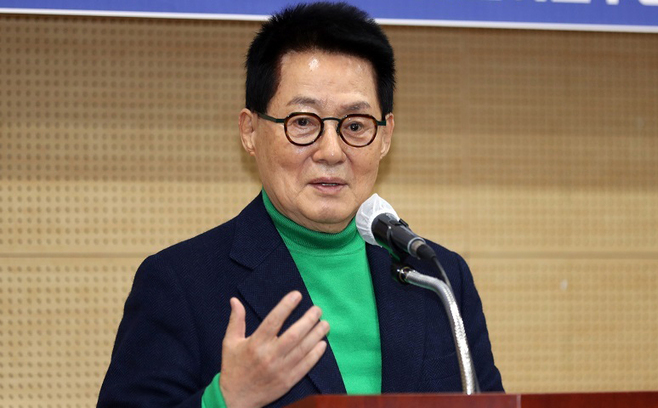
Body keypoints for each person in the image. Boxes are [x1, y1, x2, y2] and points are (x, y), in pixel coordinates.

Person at [97, 2, 503, 407]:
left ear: (385, 136)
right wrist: (224, 400)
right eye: (303, 122)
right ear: (250, 131)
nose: (331, 152)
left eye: (355, 125)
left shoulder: (438, 278)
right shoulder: (180, 283)